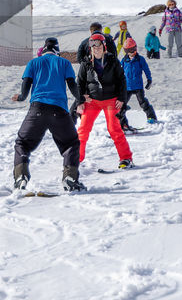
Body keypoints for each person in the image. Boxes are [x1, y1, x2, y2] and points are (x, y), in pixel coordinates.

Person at [10, 37, 84, 191]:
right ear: (57, 50)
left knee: (22, 143)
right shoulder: (64, 63)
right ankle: (70, 177)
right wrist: (81, 99)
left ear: (43, 50)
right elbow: (72, 85)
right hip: (59, 111)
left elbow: (26, 85)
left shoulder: (33, 63)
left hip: (36, 110)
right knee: (71, 143)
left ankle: (20, 175)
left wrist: (22, 97)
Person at [74, 34, 133, 169]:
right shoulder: (86, 63)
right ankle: (76, 159)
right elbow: (80, 82)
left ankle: (126, 158)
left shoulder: (112, 61)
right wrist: (81, 100)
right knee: (83, 130)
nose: (96, 48)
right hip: (92, 101)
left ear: (104, 46)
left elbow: (122, 80)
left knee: (114, 129)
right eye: (93, 46)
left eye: (98, 45)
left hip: (111, 100)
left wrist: (122, 98)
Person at [116, 38, 157, 129]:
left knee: (142, 102)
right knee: (121, 104)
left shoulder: (140, 59)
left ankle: (151, 117)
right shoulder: (124, 60)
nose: (133, 52)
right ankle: (122, 122)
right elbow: (119, 72)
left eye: (134, 49)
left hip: (138, 86)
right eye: (130, 50)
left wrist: (149, 80)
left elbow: (146, 70)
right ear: (126, 51)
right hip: (127, 87)